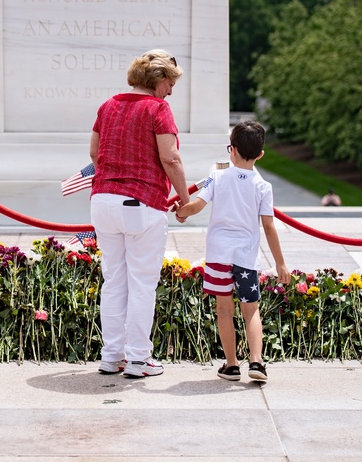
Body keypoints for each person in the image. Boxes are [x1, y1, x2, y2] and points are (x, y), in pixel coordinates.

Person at [90, 49, 190, 379]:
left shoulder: (107, 107)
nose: (171, 91)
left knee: (114, 281)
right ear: (158, 80)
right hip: (140, 202)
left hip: (103, 200)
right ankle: (137, 359)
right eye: (170, 83)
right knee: (142, 284)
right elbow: (171, 158)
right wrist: (185, 198)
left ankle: (111, 356)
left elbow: (94, 152)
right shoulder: (158, 108)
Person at [175, 120, 291, 383]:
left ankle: (231, 365)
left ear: (232, 149)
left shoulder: (218, 175)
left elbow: (197, 205)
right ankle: (257, 362)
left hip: (219, 256)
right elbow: (269, 227)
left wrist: (182, 211)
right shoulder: (263, 187)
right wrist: (280, 263)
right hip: (246, 258)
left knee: (224, 310)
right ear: (261, 154)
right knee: (251, 310)